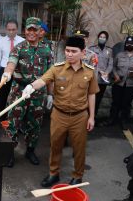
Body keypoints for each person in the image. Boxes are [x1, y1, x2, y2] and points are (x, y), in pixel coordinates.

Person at [22, 36, 99, 187]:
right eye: (67, 50)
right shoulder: (57, 69)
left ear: (83, 53)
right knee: (55, 145)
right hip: (59, 115)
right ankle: (53, 174)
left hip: (80, 116)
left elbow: (91, 94)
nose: (69, 54)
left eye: (73, 51)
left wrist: (92, 117)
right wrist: (31, 87)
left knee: (79, 148)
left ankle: (77, 176)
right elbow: (43, 80)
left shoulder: (89, 72)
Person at [1, 17, 53, 165]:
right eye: (28, 29)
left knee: (35, 124)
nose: (31, 32)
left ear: (39, 31)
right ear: (25, 30)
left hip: (38, 93)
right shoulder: (19, 48)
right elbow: (11, 62)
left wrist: (50, 95)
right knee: (12, 123)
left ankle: (30, 151)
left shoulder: (47, 50)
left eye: (34, 30)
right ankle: (9, 153)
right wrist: (7, 73)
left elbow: (50, 74)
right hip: (19, 91)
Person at [0, 20, 25, 121]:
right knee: (1, 96)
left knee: (16, 95)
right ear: (6, 30)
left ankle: (14, 119)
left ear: (17, 30)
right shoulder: (0, 42)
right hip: (4, 71)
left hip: (18, 71)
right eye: (9, 29)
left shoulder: (23, 42)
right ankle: (0, 119)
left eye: (13, 29)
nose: (11, 32)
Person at [107, 36, 133, 130]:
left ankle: (124, 121)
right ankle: (112, 119)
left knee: (126, 103)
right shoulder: (119, 55)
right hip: (118, 83)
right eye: (128, 44)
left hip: (132, 84)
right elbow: (114, 67)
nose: (130, 45)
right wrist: (115, 75)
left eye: (132, 44)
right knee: (115, 102)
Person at [88, 31, 113, 120]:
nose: (102, 38)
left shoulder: (109, 50)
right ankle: (87, 117)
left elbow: (110, 64)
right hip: (93, 77)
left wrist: (106, 72)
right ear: (98, 37)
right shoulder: (92, 49)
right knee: (90, 98)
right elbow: (90, 63)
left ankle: (93, 117)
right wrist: (99, 71)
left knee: (98, 99)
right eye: (100, 37)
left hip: (103, 79)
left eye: (104, 37)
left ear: (106, 39)